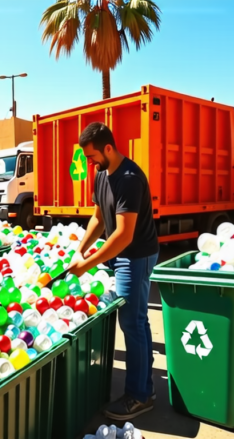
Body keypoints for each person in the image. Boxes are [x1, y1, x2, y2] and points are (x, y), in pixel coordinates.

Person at [68, 123, 159, 420]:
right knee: (138, 322)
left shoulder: (130, 178)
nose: (90, 162)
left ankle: (139, 396)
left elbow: (123, 235)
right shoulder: (101, 175)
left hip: (135, 256)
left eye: (92, 156)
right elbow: (98, 219)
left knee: (132, 323)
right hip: (122, 254)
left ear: (108, 148)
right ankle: (145, 386)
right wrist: (80, 249)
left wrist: (88, 263)